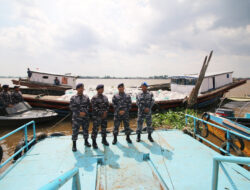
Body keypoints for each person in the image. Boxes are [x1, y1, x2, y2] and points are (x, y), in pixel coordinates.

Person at [69, 83, 91, 152]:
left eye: (82, 88)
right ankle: (74, 145)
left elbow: (88, 106)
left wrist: (85, 112)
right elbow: (71, 107)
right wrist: (79, 113)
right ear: (77, 89)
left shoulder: (86, 97)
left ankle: (86, 141)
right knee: (75, 131)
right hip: (76, 118)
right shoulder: (73, 98)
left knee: (85, 130)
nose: (81, 89)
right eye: (79, 88)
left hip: (85, 117)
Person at [91, 84, 109, 149]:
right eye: (100, 89)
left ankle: (104, 140)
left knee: (104, 128)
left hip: (104, 116)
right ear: (97, 89)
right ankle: (94, 142)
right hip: (97, 117)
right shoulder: (94, 98)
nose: (102, 90)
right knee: (95, 129)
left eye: (102, 89)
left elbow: (107, 106)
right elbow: (94, 108)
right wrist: (102, 113)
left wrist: (106, 112)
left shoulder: (105, 97)